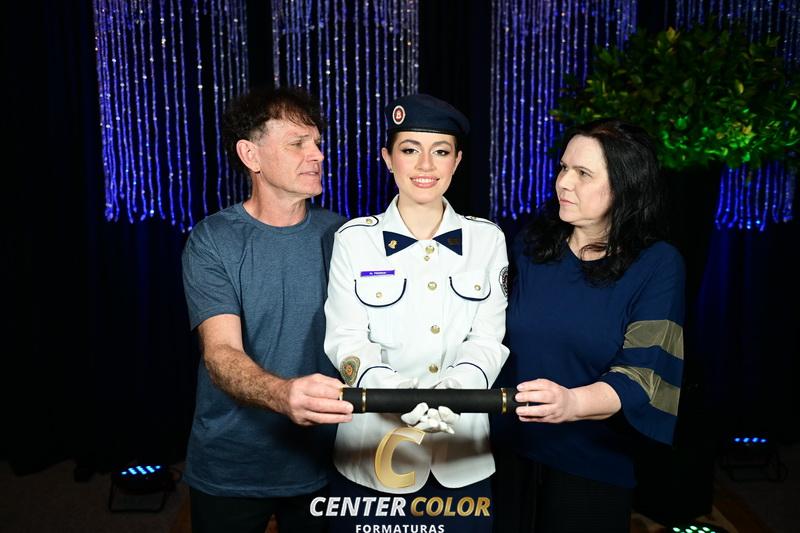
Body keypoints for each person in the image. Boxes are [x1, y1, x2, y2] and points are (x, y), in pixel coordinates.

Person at [323, 94, 509, 532]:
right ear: (388, 158)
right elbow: (347, 340)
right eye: (410, 150)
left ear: (456, 161)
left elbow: (488, 339)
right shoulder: (354, 240)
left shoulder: (487, 240)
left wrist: (453, 395)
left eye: (440, 151)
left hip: (461, 458)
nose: (426, 165)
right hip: (372, 455)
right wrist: (400, 398)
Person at [181, 86, 354, 533]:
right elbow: (221, 354)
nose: (317, 155)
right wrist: (284, 394)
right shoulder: (213, 240)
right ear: (251, 155)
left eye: (317, 143)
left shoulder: (344, 236)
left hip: (323, 462)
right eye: (298, 143)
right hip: (232, 465)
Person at [500, 118, 685, 532]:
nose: (563, 183)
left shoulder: (657, 264)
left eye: (583, 174)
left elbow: (643, 375)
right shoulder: (530, 245)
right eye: (563, 168)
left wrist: (571, 403)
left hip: (591, 465)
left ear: (624, 186)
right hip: (508, 452)